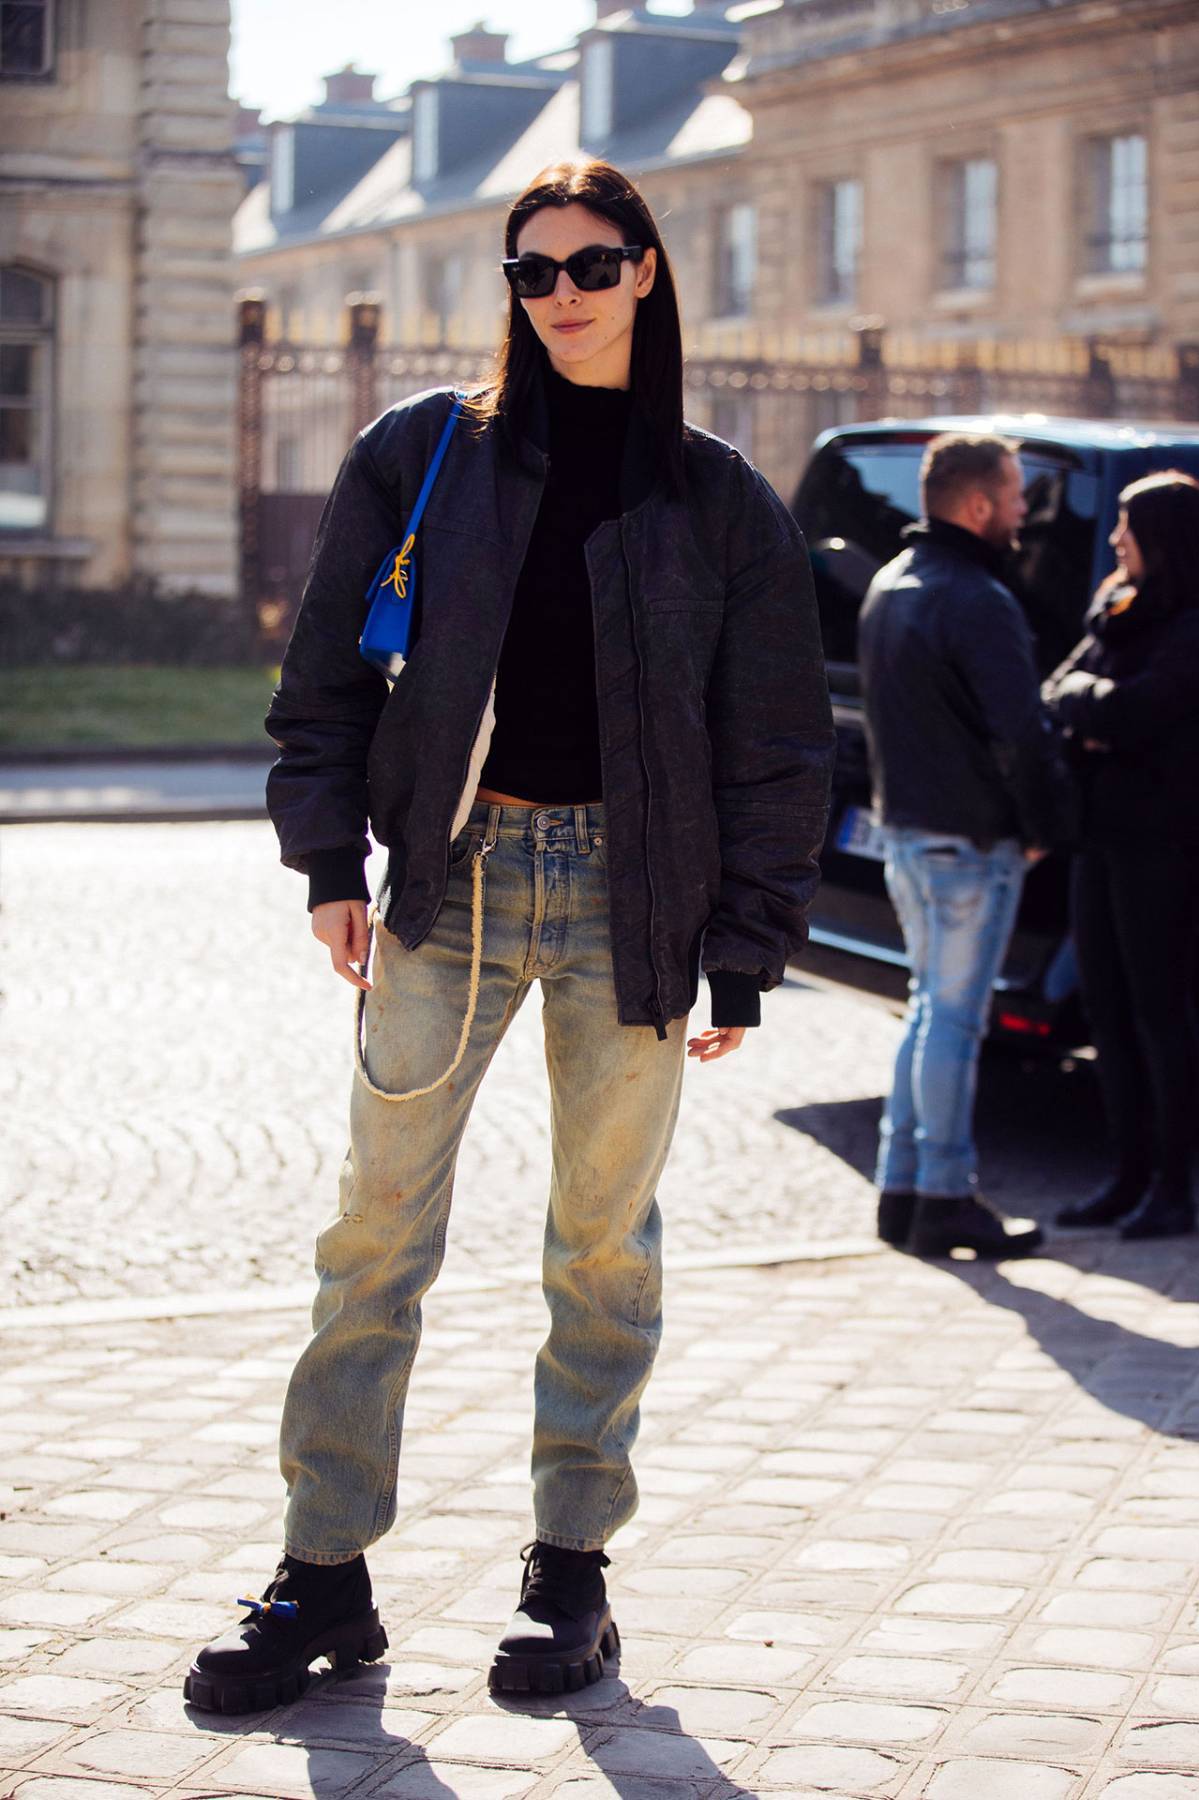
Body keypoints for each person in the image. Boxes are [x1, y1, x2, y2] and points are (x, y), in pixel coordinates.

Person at [184, 159, 834, 1714]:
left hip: (638, 899)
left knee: (602, 1250)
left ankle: (573, 1577)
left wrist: (743, 942)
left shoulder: (716, 494)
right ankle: (323, 1574)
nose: (560, 295)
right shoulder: (425, 454)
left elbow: (777, 743)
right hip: (447, 886)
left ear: (650, 273)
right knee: (373, 1240)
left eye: (591, 264)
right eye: (530, 270)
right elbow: (325, 680)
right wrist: (326, 855)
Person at [858, 432, 1075, 1259]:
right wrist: (1049, 829)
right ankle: (942, 1195)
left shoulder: (891, 584)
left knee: (929, 1013)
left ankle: (903, 1191)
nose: (1025, 510)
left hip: (909, 833)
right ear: (979, 504)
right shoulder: (978, 598)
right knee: (952, 1022)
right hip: (969, 844)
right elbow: (1021, 734)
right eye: (1017, 494)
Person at [1044, 470, 1199, 1241]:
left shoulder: (1190, 625)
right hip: (1099, 840)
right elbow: (1055, 689)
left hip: (1163, 847)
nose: (1114, 540)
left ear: (1161, 540)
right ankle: (1128, 1174)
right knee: (1105, 1008)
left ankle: (1175, 1186)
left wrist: (1099, 717)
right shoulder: (1118, 611)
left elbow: (1141, 711)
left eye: (1127, 528)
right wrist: (1094, 717)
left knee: (1159, 1015)